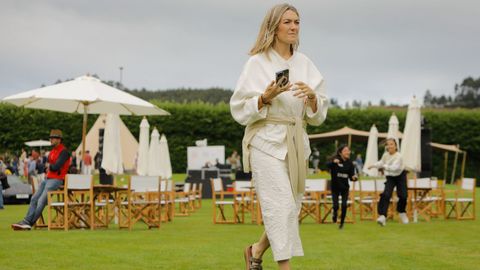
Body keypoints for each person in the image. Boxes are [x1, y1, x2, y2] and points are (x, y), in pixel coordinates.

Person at [230, 4, 328, 269]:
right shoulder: (256, 64)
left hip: (297, 142)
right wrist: (264, 98)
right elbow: (238, 108)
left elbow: (319, 114)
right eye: (287, 22)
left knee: (291, 208)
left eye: (297, 22)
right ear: (274, 27)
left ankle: (256, 251)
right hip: (266, 142)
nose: (293, 27)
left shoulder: (305, 63)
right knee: (280, 206)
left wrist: (312, 98)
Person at [11, 129, 71, 230]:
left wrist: (49, 166)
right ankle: (27, 222)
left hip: (56, 179)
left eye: (53, 138)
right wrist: (49, 166)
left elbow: (56, 167)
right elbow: (43, 166)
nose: (51, 140)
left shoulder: (64, 152)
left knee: (41, 201)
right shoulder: (52, 151)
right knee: (34, 198)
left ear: (59, 139)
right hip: (48, 178)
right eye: (50, 138)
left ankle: (28, 222)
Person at [368, 138, 409, 226]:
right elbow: (381, 162)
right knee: (386, 194)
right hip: (390, 177)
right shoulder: (385, 155)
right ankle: (382, 216)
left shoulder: (399, 156)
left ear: (395, 146)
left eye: (391, 144)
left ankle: (402, 212)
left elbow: (394, 168)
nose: (389, 146)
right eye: (388, 144)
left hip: (400, 176)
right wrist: (373, 165)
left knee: (403, 196)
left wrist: (383, 166)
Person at [326, 145, 357, 229]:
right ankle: (334, 215)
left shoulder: (350, 163)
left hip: (344, 188)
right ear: (340, 152)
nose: (348, 152)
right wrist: (333, 162)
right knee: (336, 206)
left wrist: (354, 178)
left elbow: (351, 176)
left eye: (348, 150)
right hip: (335, 187)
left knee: (344, 205)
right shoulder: (336, 160)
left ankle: (342, 223)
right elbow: (327, 165)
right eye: (345, 150)